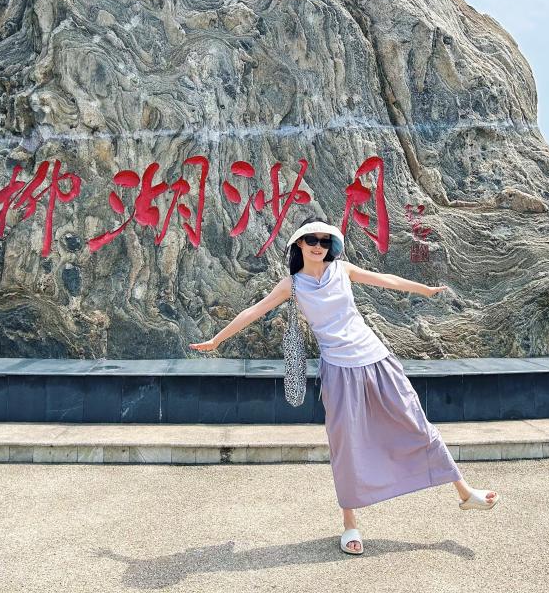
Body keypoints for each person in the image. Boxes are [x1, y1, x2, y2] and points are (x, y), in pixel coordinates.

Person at [189, 216, 499, 556]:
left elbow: (386, 280)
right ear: (299, 244)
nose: (318, 246)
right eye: (311, 240)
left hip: (377, 359)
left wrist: (423, 290)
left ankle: (465, 493)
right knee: (345, 445)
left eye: (325, 241)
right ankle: (350, 525)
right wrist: (217, 340)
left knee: (418, 424)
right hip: (338, 371)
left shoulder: (343, 269)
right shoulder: (292, 285)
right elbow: (253, 311)